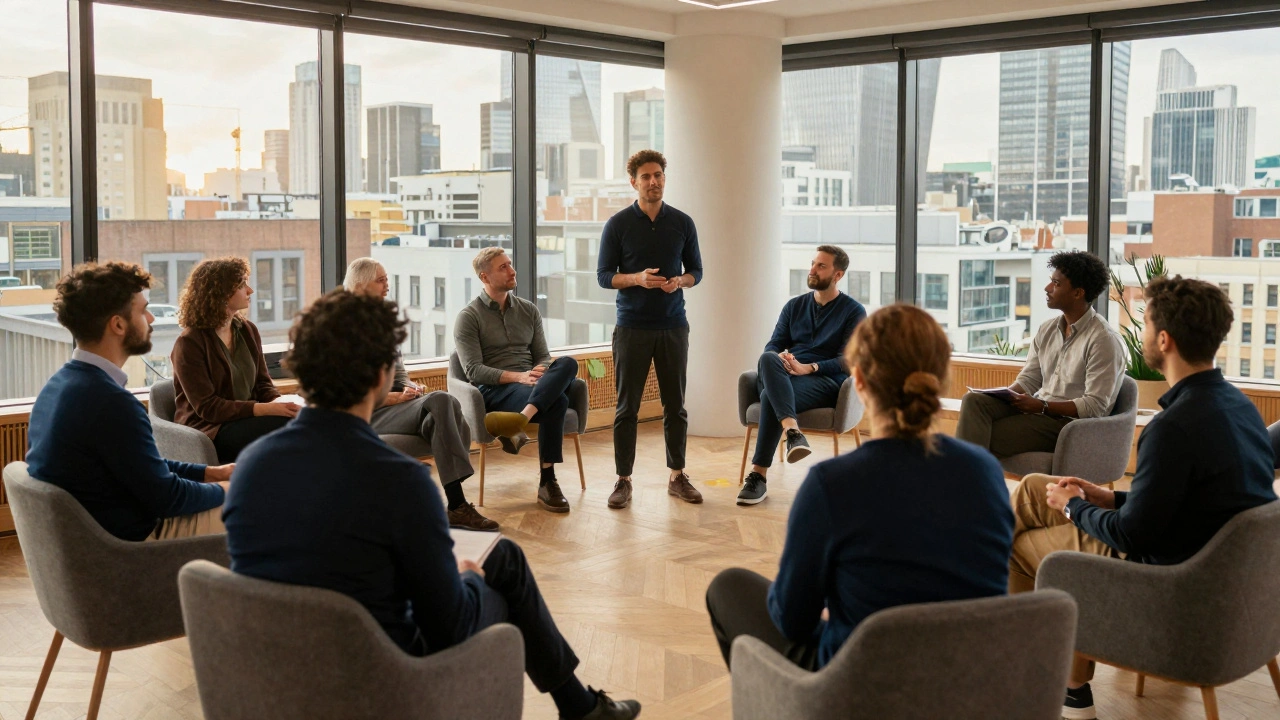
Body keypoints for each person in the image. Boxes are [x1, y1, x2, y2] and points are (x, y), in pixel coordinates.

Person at [224, 290, 640, 720]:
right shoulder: (400, 481)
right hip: (385, 671)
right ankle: (582, 708)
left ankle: (581, 706)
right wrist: (468, 576)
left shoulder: (251, 466)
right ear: (382, 375)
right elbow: (450, 623)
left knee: (503, 554)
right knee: (498, 566)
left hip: (281, 674)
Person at [1006, 276, 1277, 720]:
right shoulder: (1239, 406)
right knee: (1036, 486)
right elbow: (1195, 497)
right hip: (1214, 566)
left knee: (1020, 546)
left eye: (1148, 324)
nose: (1143, 334)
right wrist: (1107, 497)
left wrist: (1075, 507)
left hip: (1164, 578)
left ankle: (1061, 683)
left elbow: (1133, 534)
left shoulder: (1173, 428)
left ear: (1164, 340)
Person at [705, 304, 1013, 671]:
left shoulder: (831, 485)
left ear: (860, 382)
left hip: (860, 685)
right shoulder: (986, 472)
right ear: (942, 379)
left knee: (728, 587)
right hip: (972, 681)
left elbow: (792, 622)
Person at [25, 262, 232, 541]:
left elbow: (143, 467)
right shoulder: (110, 403)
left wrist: (211, 473)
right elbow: (167, 498)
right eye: (143, 310)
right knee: (263, 502)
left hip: (93, 536)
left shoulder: (59, 386)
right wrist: (230, 488)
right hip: (133, 545)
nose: (152, 318)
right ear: (118, 324)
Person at [344, 258, 495, 531]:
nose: (387, 285)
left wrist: (409, 389)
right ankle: (457, 502)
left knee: (440, 405)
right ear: (359, 287)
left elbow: (399, 372)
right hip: (366, 413)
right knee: (441, 402)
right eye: (380, 280)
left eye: (387, 278)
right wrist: (390, 398)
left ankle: (453, 503)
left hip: (396, 409)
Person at [597, 149, 704, 510]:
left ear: (664, 178)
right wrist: (637, 279)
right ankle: (623, 480)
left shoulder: (683, 222)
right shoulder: (617, 224)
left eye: (658, 175)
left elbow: (697, 271)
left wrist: (681, 281)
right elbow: (603, 276)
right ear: (634, 182)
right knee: (627, 408)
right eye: (645, 176)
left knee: (676, 406)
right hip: (632, 327)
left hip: (674, 325)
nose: (653, 181)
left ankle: (677, 476)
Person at [956, 251, 1125, 458]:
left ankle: (968, 486)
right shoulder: (1047, 329)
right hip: (1038, 411)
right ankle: (971, 484)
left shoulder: (1103, 340)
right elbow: (1030, 379)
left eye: (1056, 284)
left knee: (984, 434)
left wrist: (1043, 406)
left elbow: (1094, 406)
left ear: (1078, 293)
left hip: (1069, 425)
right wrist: (1004, 396)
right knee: (974, 400)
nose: (1047, 288)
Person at [455, 247, 581, 514]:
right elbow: (473, 370)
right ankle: (548, 482)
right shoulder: (468, 317)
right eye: (503, 267)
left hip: (534, 384)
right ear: (484, 277)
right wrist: (519, 377)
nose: (512, 271)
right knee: (556, 401)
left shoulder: (528, 310)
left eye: (510, 264)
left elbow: (544, 356)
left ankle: (520, 420)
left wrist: (538, 372)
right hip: (497, 389)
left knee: (568, 363)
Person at [737, 245, 866, 506]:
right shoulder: (794, 306)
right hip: (784, 374)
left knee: (769, 395)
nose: (812, 270)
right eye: (813, 264)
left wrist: (810, 368)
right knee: (768, 358)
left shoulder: (853, 311)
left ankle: (758, 475)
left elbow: (849, 360)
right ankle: (793, 432)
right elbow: (773, 345)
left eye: (821, 266)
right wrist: (785, 360)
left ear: (838, 275)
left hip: (823, 382)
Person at [171, 256, 299, 463]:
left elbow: (263, 384)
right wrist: (263, 409)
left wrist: (282, 403)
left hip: (247, 420)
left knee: (303, 421)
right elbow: (208, 408)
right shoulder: (189, 343)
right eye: (242, 284)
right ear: (220, 292)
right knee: (286, 430)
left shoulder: (248, 330)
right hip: (210, 429)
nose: (250, 291)